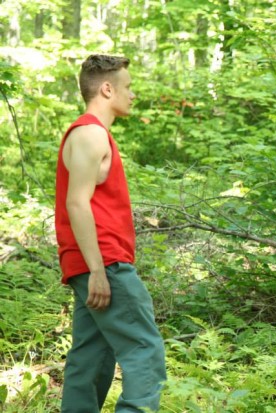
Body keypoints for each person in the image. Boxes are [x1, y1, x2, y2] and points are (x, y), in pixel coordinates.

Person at [55, 54, 167, 412]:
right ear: (107, 88)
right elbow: (77, 203)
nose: (132, 95)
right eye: (128, 87)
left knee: (91, 356)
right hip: (104, 261)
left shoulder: (90, 133)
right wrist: (100, 271)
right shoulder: (90, 133)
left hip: (90, 262)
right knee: (145, 349)